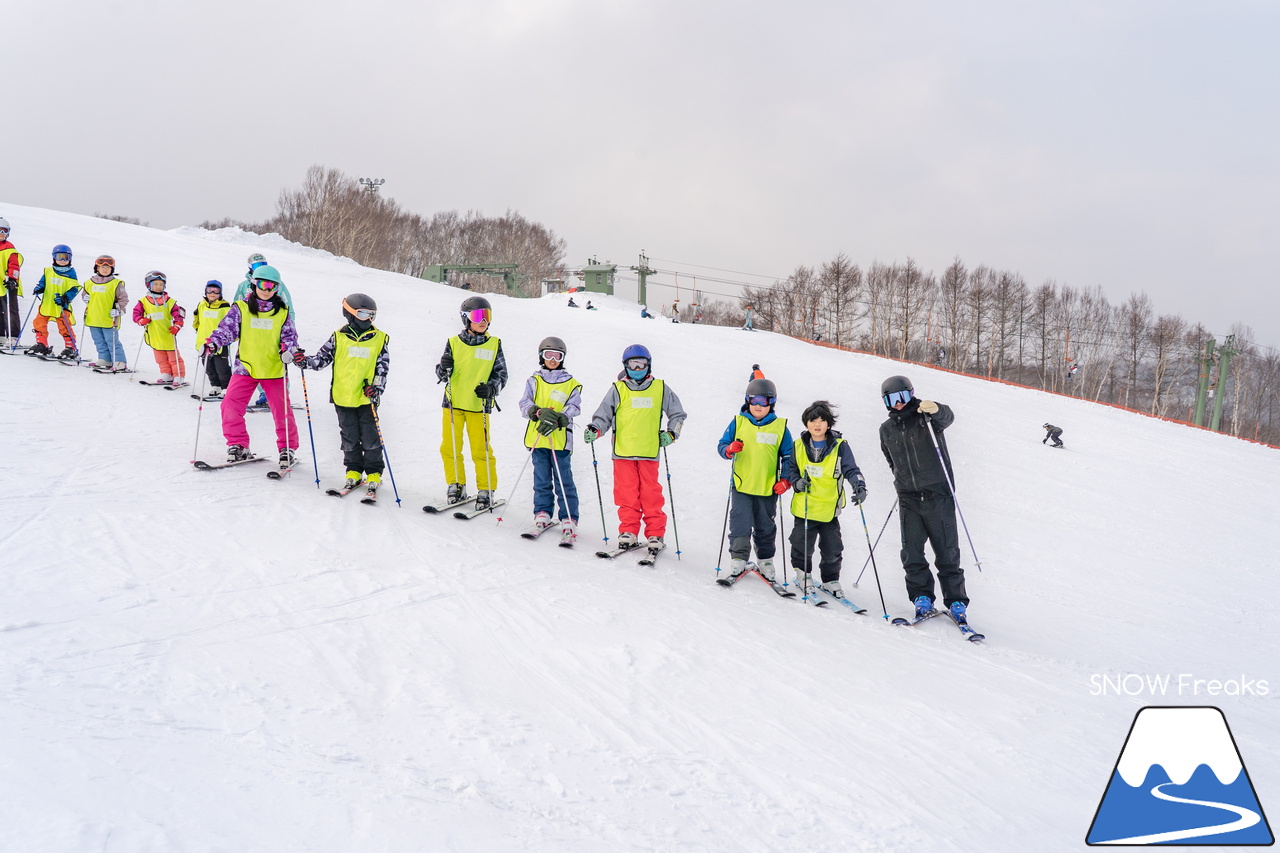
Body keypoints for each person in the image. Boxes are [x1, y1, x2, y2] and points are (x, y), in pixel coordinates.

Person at [878, 375, 968, 620]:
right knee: (912, 553)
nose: (898, 403)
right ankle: (922, 598)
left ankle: (956, 601)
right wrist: (901, 480)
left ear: (910, 394)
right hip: (908, 498)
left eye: (902, 396)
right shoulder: (886, 429)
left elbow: (947, 418)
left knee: (947, 552)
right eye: (891, 399)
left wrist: (937, 409)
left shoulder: (927, 418)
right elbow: (891, 459)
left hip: (938, 494)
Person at [585, 344, 687, 554]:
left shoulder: (660, 388)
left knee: (651, 494)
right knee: (626, 493)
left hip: (649, 452)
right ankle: (628, 531)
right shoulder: (617, 389)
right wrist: (596, 429)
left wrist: (671, 434)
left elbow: (678, 414)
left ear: (649, 365)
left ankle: (655, 534)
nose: (637, 368)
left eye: (641, 364)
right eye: (633, 364)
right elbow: (604, 415)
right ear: (625, 366)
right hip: (623, 451)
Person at [200, 264, 300, 470]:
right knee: (230, 405)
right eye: (263, 284)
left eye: (272, 286)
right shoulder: (241, 308)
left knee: (282, 411)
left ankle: (287, 448)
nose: (267, 290)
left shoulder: (282, 312)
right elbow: (226, 330)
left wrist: (289, 350)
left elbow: (290, 337)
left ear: (277, 288)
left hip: (273, 369)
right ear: (254, 284)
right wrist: (213, 343)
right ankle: (238, 444)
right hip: (245, 367)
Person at [294, 294, 390, 498]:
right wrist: (303, 361)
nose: (368, 319)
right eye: (363, 314)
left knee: (370, 438)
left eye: (372, 315)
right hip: (343, 397)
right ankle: (353, 471)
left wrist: (376, 388)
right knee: (349, 437)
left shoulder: (379, 338)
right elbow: (320, 360)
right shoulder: (338, 337)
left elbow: (383, 368)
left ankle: (374, 473)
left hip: (366, 398)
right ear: (349, 313)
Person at [716, 378, 798, 582]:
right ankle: (738, 557)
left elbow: (789, 456)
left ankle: (765, 559)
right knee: (740, 522)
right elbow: (722, 445)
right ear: (747, 401)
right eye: (754, 401)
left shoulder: (780, 427)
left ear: (772, 403)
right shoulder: (738, 422)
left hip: (767, 486)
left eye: (763, 401)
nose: (758, 406)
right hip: (742, 484)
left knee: (765, 525)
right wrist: (729, 449)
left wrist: (785, 480)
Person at [788, 401, 867, 598]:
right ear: (806, 423)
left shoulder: (840, 446)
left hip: (829, 509)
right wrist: (796, 482)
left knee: (832, 547)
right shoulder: (798, 445)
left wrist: (859, 485)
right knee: (801, 544)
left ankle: (830, 579)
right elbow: (791, 470)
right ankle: (803, 574)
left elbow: (851, 469)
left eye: (822, 421)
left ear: (829, 424)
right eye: (813, 420)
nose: (817, 425)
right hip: (805, 507)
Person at [434, 295, 507, 509]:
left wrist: (491, 388)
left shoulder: (494, 344)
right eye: (478, 316)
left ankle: (486, 488)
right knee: (450, 447)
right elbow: (442, 374)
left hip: (478, 406)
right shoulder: (453, 343)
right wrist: (443, 367)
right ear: (466, 318)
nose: (484, 321)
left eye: (487, 316)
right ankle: (456, 484)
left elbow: (501, 374)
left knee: (481, 450)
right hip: (453, 404)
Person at [517, 335, 582, 544]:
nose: (553, 359)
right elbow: (524, 403)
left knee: (563, 479)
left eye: (557, 356)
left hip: (560, 441)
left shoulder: (571, 383)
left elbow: (574, 406)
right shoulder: (534, 381)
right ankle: (542, 513)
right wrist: (537, 412)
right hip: (538, 439)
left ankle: (569, 517)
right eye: (548, 355)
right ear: (541, 356)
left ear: (563, 358)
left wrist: (562, 417)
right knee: (541, 478)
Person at [235, 254, 293, 408]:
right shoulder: (243, 286)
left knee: (273, 361)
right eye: (256, 266)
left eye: (263, 265)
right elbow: (236, 308)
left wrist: (288, 327)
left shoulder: (276, 284)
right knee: (254, 361)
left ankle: (278, 395)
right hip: (252, 331)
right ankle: (261, 393)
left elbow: (287, 305)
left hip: (272, 328)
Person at [132, 271, 186, 384]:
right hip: (154, 334)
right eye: (155, 284)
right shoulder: (144, 301)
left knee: (173, 357)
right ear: (149, 285)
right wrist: (141, 320)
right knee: (160, 357)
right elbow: (136, 314)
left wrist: (177, 325)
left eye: (161, 284)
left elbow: (178, 315)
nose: (158, 287)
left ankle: (178, 375)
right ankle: (166, 373)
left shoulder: (169, 301)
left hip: (168, 334)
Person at [27, 244, 79, 358]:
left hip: (61, 306)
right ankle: (42, 344)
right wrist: (39, 288)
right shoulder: (48, 271)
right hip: (47, 304)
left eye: (66, 257)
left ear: (70, 259)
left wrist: (66, 298)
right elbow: (43, 282)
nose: (62, 260)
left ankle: (70, 347)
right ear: (54, 257)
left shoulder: (71, 273)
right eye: (59, 257)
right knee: (39, 322)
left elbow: (74, 289)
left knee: (64, 325)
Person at [80, 255, 128, 369]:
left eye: (108, 267)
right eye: (102, 267)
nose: (105, 269)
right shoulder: (89, 283)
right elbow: (85, 294)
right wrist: (85, 297)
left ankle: (119, 361)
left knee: (112, 341)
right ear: (97, 268)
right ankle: (105, 358)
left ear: (112, 269)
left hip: (109, 319)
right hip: (93, 318)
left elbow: (123, 299)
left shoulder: (116, 283)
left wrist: (119, 310)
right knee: (99, 341)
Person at [193, 281, 232, 397]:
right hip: (204, 341)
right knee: (208, 366)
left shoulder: (225, 307)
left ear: (220, 293)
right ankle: (215, 385)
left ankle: (226, 387)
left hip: (220, 342)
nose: (212, 293)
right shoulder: (202, 305)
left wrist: (228, 337)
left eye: (216, 291)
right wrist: (197, 328)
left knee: (221, 367)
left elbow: (230, 323)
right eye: (210, 290)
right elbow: (197, 317)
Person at [0, 217, 24, 349]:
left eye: (4, 231)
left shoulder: (9, 248)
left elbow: (14, 266)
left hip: (8, 284)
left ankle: (13, 337)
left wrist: (13, 279)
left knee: (10, 310)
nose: (2, 233)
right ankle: (1, 336)